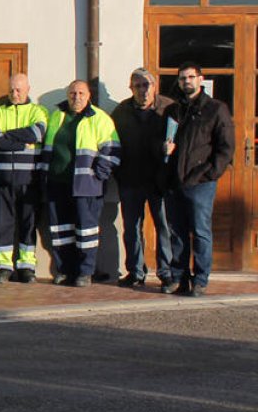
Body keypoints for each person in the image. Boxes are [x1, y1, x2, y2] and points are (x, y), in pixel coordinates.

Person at [40, 80, 120, 287]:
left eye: (81, 93)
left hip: (86, 185)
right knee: (60, 232)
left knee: (86, 231)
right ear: (68, 95)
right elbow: (47, 149)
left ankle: (85, 272)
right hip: (57, 183)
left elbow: (112, 150)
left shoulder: (99, 119)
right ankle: (65, 270)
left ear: (89, 96)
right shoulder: (57, 116)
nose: (77, 97)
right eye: (73, 93)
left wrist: (98, 174)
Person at [163, 62, 234, 296]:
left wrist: (209, 174)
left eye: (191, 77)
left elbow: (225, 148)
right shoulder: (173, 110)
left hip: (200, 182)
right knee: (177, 232)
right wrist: (163, 149)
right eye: (182, 78)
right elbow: (162, 141)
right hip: (175, 181)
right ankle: (179, 278)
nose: (186, 82)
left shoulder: (215, 109)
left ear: (200, 79)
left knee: (201, 232)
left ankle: (201, 280)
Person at [111, 68, 174, 289]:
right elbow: (112, 144)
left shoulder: (168, 108)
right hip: (130, 179)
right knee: (132, 228)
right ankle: (135, 272)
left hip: (161, 181)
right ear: (131, 88)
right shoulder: (121, 111)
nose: (143, 90)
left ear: (155, 86)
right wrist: (117, 173)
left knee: (164, 226)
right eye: (138, 86)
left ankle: (167, 272)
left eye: (147, 85)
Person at [0, 74, 48, 284]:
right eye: (11, 89)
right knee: (3, 224)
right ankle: (3, 267)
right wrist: (22, 143)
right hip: (2, 179)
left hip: (29, 180)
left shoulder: (37, 111)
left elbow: (37, 134)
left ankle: (26, 266)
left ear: (28, 89)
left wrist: (7, 137)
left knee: (28, 225)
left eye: (19, 90)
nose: (15, 94)